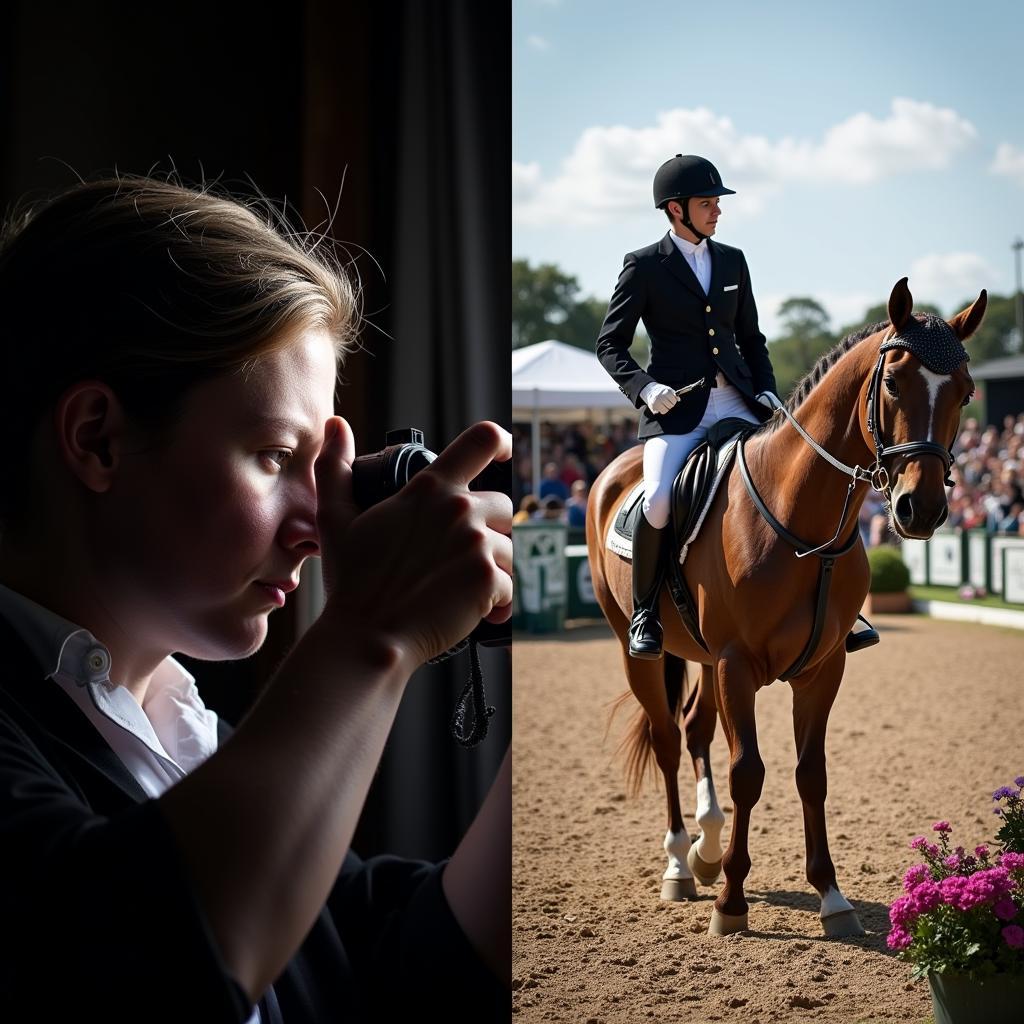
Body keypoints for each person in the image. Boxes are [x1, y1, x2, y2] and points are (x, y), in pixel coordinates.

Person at [0, 175, 512, 1021]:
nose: (318, 525)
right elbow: (138, 967)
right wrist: (373, 634)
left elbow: (408, 962)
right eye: (277, 457)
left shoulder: (182, 738)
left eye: (324, 468)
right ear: (98, 439)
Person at [596, 153, 878, 659]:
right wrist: (643, 387)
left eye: (717, 204)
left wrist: (767, 387)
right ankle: (644, 613)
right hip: (677, 410)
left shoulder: (732, 260)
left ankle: (840, 604)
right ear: (676, 210)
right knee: (659, 498)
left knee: (806, 478)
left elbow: (751, 336)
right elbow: (610, 345)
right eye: (707, 204)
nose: (717, 212)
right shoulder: (643, 265)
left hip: (741, 403)